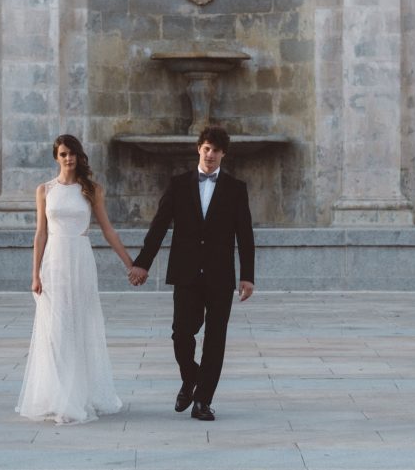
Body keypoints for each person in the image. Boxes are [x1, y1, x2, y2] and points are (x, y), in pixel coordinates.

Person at [128, 126, 255, 421]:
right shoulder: (179, 184)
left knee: (215, 338)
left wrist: (247, 275)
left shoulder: (236, 188)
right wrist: (142, 263)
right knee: (182, 334)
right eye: (206, 148)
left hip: (220, 275)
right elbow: (159, 226)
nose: (210, 155)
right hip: (185, 273)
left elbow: (245, 235)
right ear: (199, 149)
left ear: (223, 154)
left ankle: (202, 401)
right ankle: (191, 377)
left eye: (216, 150)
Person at [17, 134, 133, 425]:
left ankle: (79, 394)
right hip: (54, 261)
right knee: (55, 329)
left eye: (73, 154)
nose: (69, 159)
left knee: (79, 325)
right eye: (63, 154)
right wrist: (34, 274)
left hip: (80, 259)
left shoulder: (91, 190)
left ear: (80, 156)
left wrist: (130, 263)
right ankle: (58, 395)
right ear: (56, 157)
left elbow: (107, 230)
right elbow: (40, 233)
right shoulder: (45, 190)